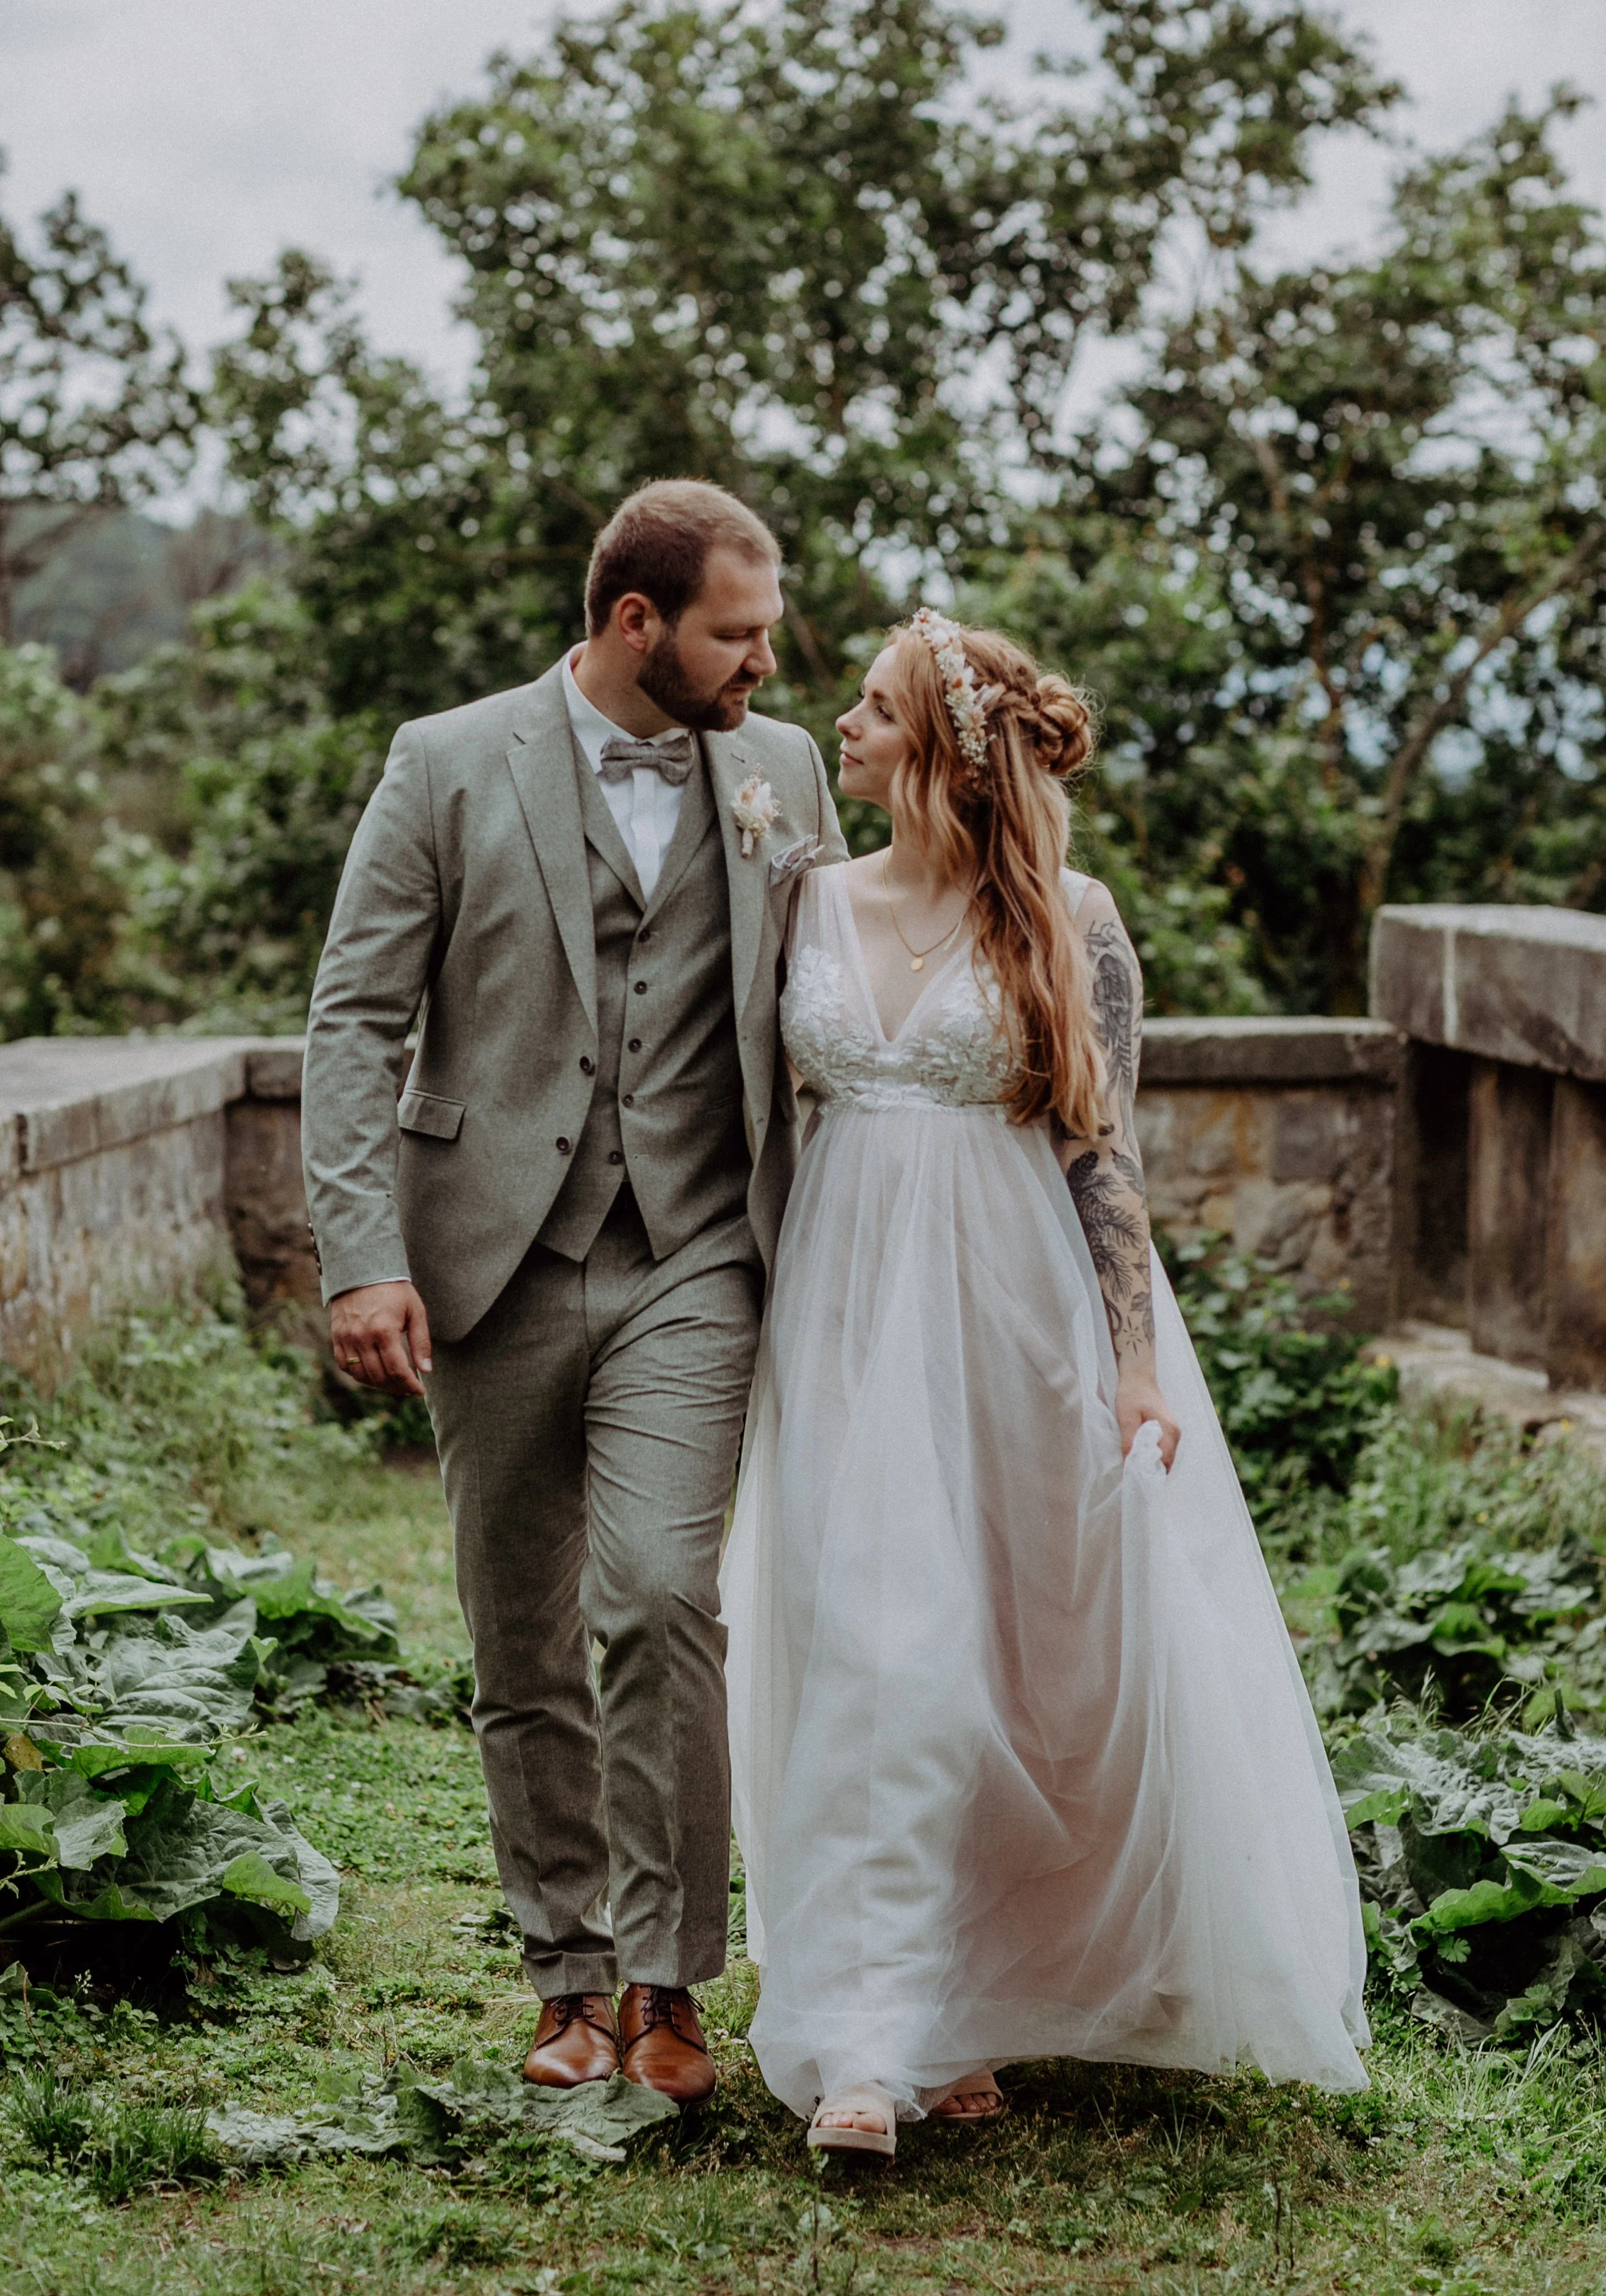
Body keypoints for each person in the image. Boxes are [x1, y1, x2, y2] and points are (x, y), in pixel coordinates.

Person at [720, 610, 1370, 2159]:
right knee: (878, 1650)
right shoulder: (801, 900)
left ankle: (970, 2003)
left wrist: (1135, 1367)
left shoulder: (1065, 919)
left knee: (1022, 1665)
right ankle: (866, 2040)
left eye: (872, 711)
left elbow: (1102, 1150)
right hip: (845, 1319)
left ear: (941, 751)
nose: (843, 730)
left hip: (1015, 1321)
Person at [301, 480, 847, 2106]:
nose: (761, 664)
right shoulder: (446, 761)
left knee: (659, 1598)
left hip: (696, 1253)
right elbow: (352, 1021)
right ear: (636, 625)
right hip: (490, 1260)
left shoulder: (782, 770)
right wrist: (361, 1254)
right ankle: (565, 1971)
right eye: (734, 636)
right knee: (520, 1630)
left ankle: (672, 1980)